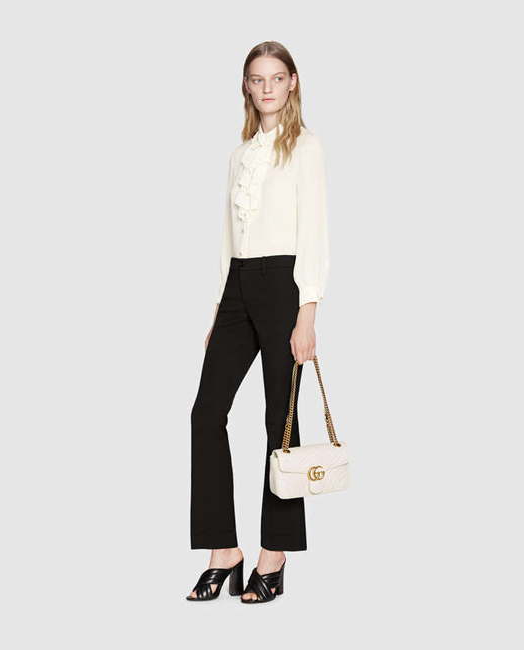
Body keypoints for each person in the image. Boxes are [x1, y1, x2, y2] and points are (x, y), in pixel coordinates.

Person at [186, 40, 330, 603]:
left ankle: (275, 553)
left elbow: (314, 231)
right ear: (246, 87)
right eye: (256, 79)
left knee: (280, 423)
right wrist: (220, 309)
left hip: (284, 285)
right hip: (238, 285)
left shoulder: (306, 148)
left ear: (292, 83)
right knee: (206, 413)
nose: (266, 88)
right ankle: (224, 549)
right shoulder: (239, 154)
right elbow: (229, 240)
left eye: (276, 77)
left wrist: (307, 311)